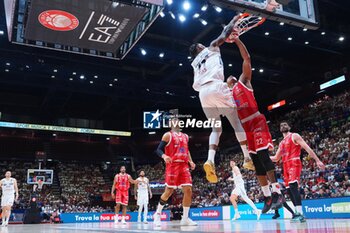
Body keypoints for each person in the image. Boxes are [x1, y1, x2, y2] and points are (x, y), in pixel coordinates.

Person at [189, 15, 254, 184]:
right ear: (198, 48)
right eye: (200, 44)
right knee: (236, 123)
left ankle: (210, 160)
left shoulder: (195, 63)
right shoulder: (209, 48)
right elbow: (224, 34)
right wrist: (234, 20)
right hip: (216, 87)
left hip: (203, 94)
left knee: (216, 129)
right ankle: (247, 158)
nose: (203, 43)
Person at [227, 37, 282, 213]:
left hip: (255, 120)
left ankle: (277, 192)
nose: (231, 79)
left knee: (263, 156)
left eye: (232, 78)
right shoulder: (228, 96)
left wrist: (236, 40)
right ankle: (267, 197)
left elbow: (247, 58)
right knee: (257, 163)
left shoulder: (243, 81)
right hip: (246, 127)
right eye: (228, 81)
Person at [271, 121, 326, 222]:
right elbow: (276, 158)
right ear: (280, 129)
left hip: (294, 162)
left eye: (285, 124)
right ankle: (297, 212)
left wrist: (317, 160)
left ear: (289, 127)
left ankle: (301, 213)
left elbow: (307, 148)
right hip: (285, 165)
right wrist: (262, 158)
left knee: (293, 186)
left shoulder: (294, 136)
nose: (283, 126)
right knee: (289, 189)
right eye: (281, 125)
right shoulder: (281, 143)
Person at [154, 118, 197, 227]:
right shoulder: (167, 135)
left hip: (183, 165)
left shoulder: (185, 136)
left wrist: (191, 161)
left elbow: (187, 150)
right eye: (175, 121)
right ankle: (157, 214)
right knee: (169, 191)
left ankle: (185, 218)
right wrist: (164, 156)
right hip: (172, 165)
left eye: (179, 121)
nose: (178, 122)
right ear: (170, 124)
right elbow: (158, 149)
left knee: (188, 190)